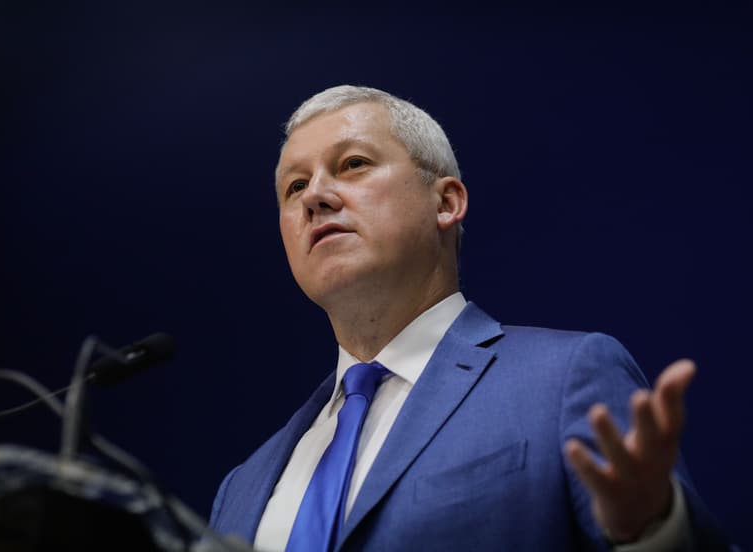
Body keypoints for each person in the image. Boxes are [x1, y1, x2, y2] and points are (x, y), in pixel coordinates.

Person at [208, 85, 730, 550]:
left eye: (353, 164)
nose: (315, 197)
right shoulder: (241, 489)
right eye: (295, 186)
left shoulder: (564, 380)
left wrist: (654, 534)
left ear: (446, 202)